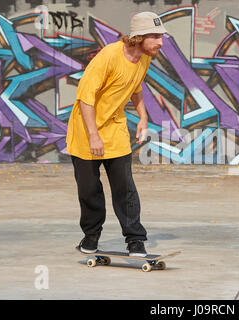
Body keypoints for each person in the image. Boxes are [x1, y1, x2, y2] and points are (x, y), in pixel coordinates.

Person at [66, 12, 167, 256]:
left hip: (116, 130)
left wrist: (143, 116)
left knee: (125, 188)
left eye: (161, 36)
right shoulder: (109, 56)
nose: (160, 42)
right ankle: (90, 238)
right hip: (85, 131)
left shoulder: (143, 58)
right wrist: (93, 135)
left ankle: (135, 240)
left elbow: (136, 88)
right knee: (89, 190)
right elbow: (85, 98)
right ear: (139, 37)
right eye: (155, 36)